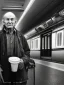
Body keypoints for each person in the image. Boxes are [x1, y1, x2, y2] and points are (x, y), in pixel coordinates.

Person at [0, 12, 30, 85]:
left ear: (15, 22)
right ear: (3, 21)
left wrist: (23, 60)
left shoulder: (21, 36)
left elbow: (27, 52)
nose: (10, 21)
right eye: (7, 19)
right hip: (3, 71)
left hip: (19, 72)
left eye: (12, 19)